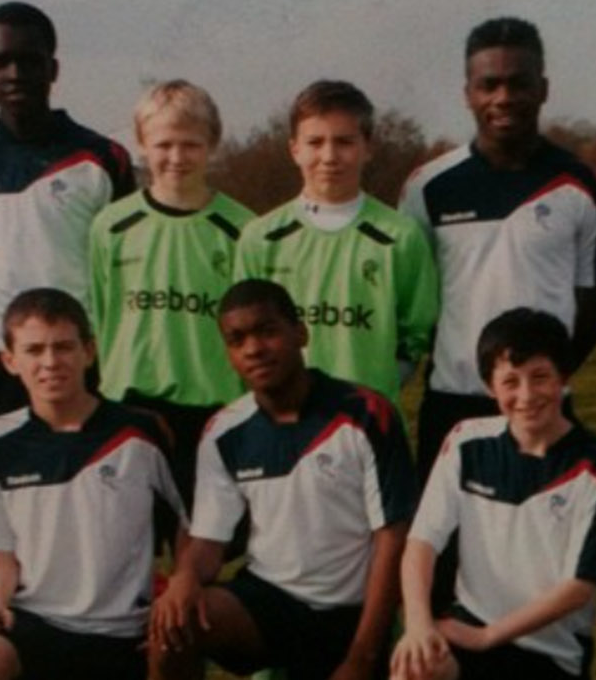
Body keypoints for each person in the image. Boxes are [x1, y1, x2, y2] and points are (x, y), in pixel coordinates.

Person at [151, 279, 416, 680]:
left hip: (349, 615)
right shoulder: (224, 431)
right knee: (172, 624)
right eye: (237, 340)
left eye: (267, 331)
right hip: (268, 602)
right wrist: (184, 576)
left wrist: (361, 658)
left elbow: (393, 538)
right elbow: (208, 539)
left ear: (300, 332)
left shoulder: (365, 414)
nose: (254, 348)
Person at [400, 18, 596, 483]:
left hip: (543, 406)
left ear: (543, 88)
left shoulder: (582, 184)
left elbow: (595, 297)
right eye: (489, 85)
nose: (503, 97)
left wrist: (547, 374)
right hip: (452, 406)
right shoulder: (428, 187)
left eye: (519, 83)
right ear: (467, 92)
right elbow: (413, 296)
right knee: (443, 553)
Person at [0, 1, 137, 450]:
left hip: (75, 361)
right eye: (0, 61)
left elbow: (121, 273)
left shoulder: (102, 158)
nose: (14, 74)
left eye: (29, 60)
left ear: (53, 67)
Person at [0, 289, 185, 680]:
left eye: (64, 347)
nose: (50, 362)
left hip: (125, 628)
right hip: (35, 622)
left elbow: (191, 523)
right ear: (9, 361)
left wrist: (180, 587)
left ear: (89, 351)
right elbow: (1, 549)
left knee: (183, 633)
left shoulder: (141, 432)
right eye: (34, 350)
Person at [391, 308, 596, 680]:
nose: (527, 395)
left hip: (551, 653)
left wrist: (488, 637)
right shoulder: (467, 440)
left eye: (540, 377)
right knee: (413, 668)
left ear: (564, 378)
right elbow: (421, 543)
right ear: (489, 386)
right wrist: (418, 626)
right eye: (511, 381)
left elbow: (578, 588)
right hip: (469, 627)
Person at [88, 79, 253, 507]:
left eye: (190, 145)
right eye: (163, 144)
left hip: (213, 407)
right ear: (142, 143)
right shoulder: (112, 225)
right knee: (128, 543)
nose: (176, 157)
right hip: (130, 406)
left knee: (205, 546)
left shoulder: (243, 229)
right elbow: (101, 313)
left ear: (212, 144)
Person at [235, 79, 438, 408]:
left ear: (367, 147)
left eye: (344, 141)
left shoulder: (400, 236)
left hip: (369, 422)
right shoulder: (261, 238)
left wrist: (373, 393)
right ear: (294, 150)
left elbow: (415, 336)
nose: (329, 156)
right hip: (286, 424)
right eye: (315, 142)